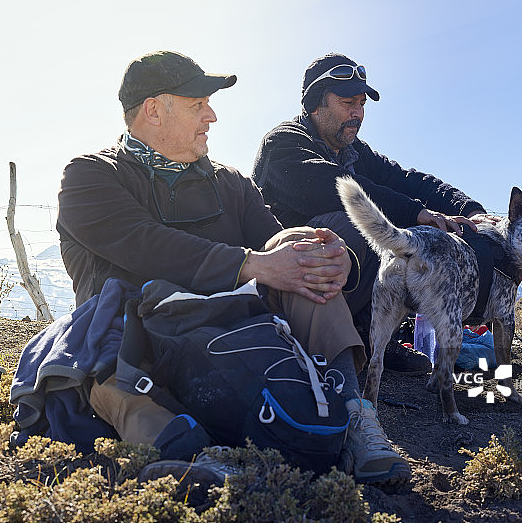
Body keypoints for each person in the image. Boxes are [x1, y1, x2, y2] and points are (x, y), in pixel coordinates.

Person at [56, 50, 410, 486]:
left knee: (301, 252)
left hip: (234, 334)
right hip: (142, 341)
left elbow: (276, 246)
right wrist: (251, 265)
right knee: (106, 341)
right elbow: (146, 246)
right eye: (197, 104)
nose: (212, 116)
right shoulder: (90, 176)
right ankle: (190, 454)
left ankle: (354, 415)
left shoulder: (230, 182)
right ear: (153, 111)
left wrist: (334, 260)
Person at [252, 53, 499, 374]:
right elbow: (339, 187)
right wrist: (417, 213)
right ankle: (341, 341)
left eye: (362, 104)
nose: (358, 114)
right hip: (285, 292)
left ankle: (375, 338)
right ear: (315, 103)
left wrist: (470, 209)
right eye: (347, 103)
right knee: (360, 225)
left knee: (409, 233)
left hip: (334, 287)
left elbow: (408, 180)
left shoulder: (355, 152)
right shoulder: (283, 143)